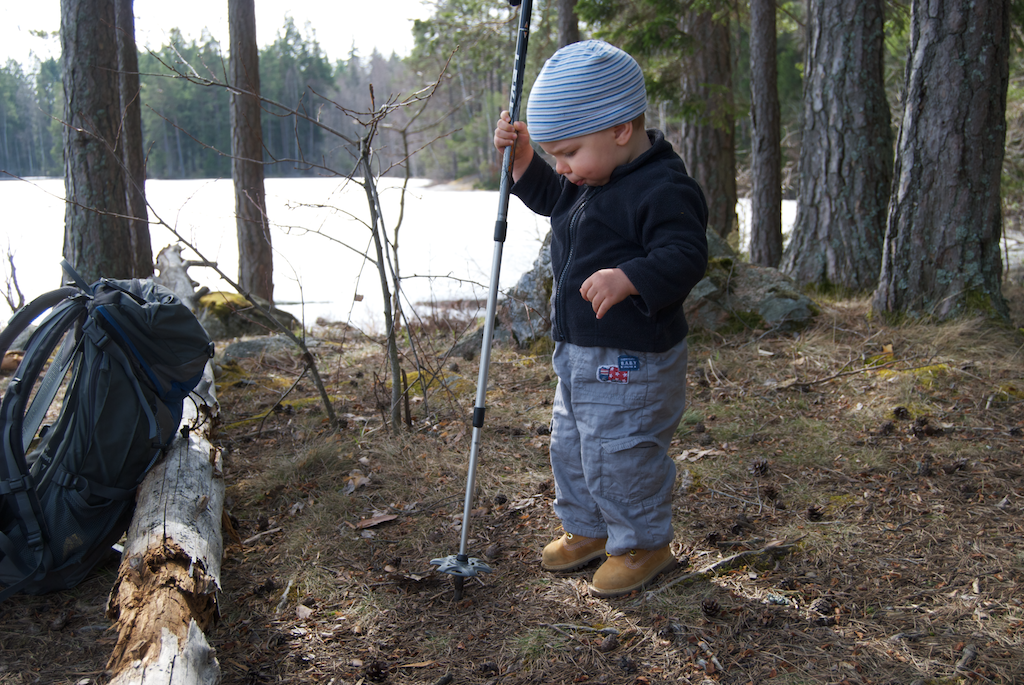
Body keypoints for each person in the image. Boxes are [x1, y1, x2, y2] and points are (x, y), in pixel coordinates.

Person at [493, 39, 709, 598]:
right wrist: (524, 163)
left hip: (633, 357)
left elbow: (686, 254)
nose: (561, 168)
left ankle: (641, 542)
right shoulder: (591, 176)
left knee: (621, 449)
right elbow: (554, 196)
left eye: (567, 153)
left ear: (619, 130)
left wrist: (631, 276)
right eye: (554, 155)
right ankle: (588, 529)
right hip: (581, 351)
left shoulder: (663, 188)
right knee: (572, 443)